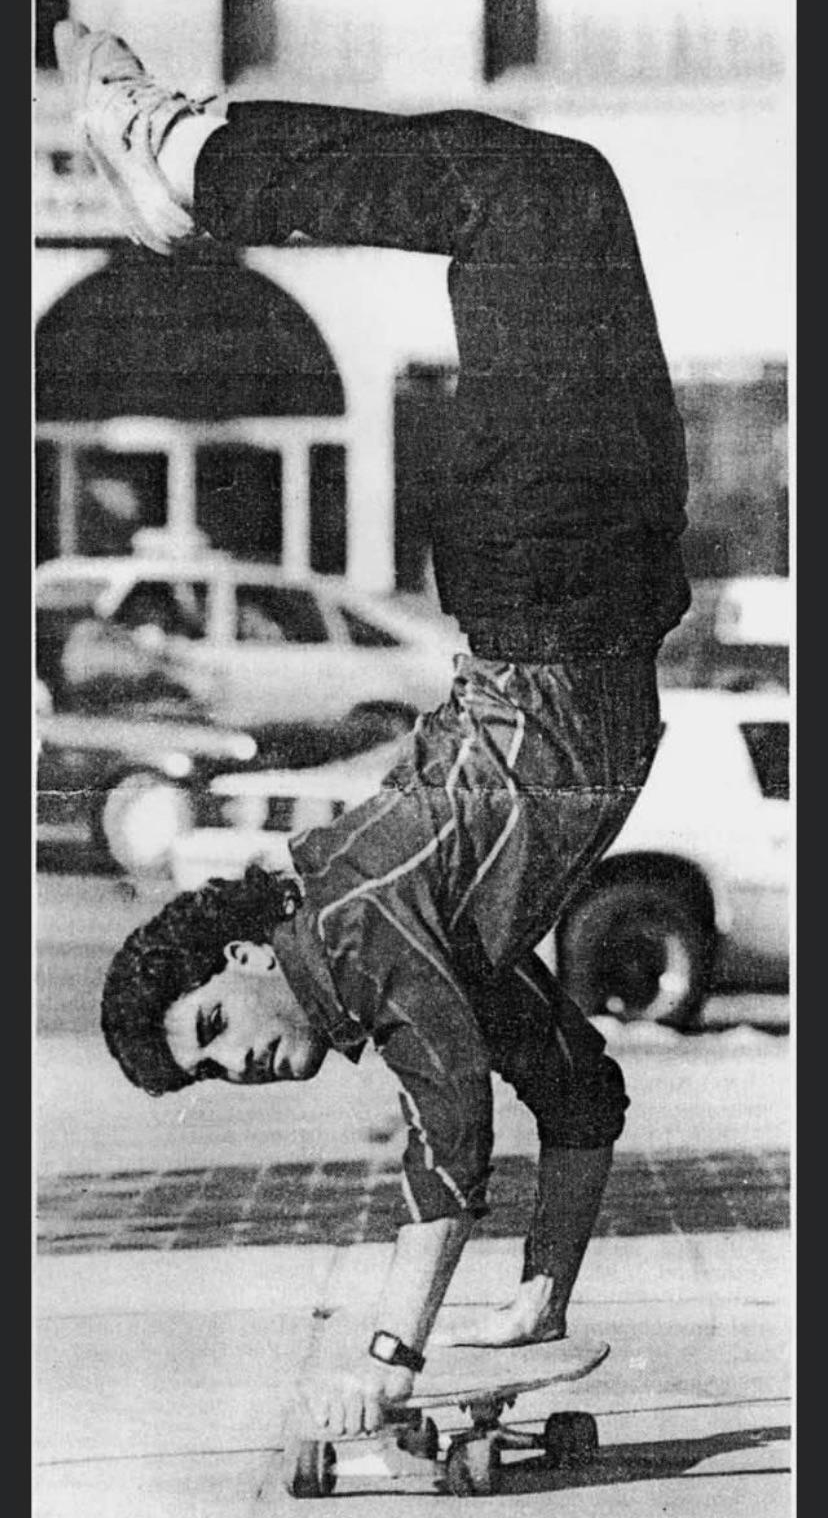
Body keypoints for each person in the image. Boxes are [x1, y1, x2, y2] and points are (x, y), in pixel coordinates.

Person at [56, 21, 691, 1441]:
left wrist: (396, 1349)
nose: (244, 1062)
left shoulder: (355, 922)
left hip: (546, 593)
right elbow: (575, 1094)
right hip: (609, 594)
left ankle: (191, 162)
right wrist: (537, 1300)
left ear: (237, 954)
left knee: (531, 197)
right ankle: (191, 158)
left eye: (215, 1026)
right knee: (556, 198)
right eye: (215, 1069)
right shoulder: (438, 955)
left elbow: (450, 1128)